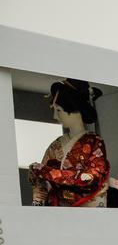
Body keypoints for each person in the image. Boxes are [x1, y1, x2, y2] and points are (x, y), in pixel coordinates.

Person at [28, 78, 111, 207]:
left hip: (85, 208)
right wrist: (39, 192)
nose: (55, 116)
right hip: (54, 208)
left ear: (76, 110)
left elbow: (92, 178)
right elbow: (41, 180)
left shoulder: (94, 142)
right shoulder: (56, 145)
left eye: (59, 110)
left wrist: (50, 173)